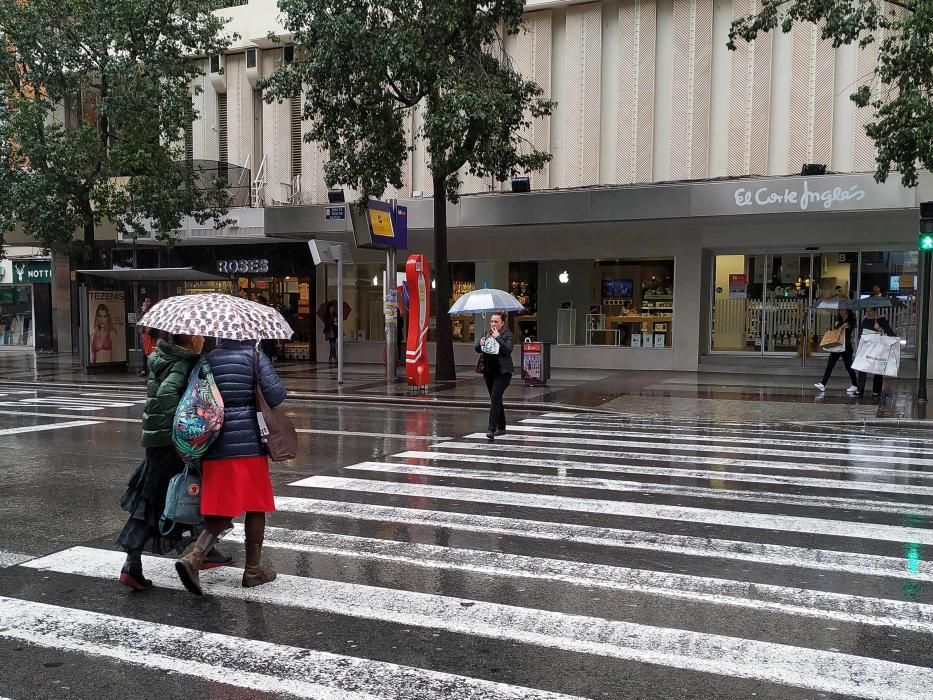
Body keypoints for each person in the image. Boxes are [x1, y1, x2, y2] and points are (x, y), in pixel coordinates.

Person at [116, 332, 230, 590]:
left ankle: (204, 551)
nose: (203, 338)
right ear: (189, 339)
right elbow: (168, 393)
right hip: (170, 443)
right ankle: (133, 563)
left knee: (167, 495)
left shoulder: (163, 356)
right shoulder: (182, 361)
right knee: (182, 492)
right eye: (199, 335)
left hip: (157, 441)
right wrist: (180, 428)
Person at [175, 338, 287, 595]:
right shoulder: (255, 357)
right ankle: (253, 571)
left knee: (222, 506)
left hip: (215, 440)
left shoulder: (208, 359)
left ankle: (195, 557)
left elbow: (194, 395)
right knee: (256, 504)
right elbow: (277, 394)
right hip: (249, 441)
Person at [475, 311, 514, 441]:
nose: (493, 324)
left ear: (502, 323)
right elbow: (477, 348)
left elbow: (508, 349)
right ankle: (502, 426)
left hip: (502, 373)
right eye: (492, 321)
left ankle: (491, 429)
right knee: (495, 398)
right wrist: (480, 343)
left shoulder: (507, 334)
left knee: (495, 399)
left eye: (496, 321)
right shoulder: (487, 333)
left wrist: (498, 337)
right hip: (488, 371)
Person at [813, 309, 858, 395]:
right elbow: (836, 333)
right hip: (836, 345)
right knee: (830, 364)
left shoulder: (850, 321)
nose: (841, 312)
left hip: (846, 347)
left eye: (843, 310)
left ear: (847, 311)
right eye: (840, 310)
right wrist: (837, 326)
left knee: (848, 366)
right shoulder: (839, 320)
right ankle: (823, 383)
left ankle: (855, 384)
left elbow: (847, 332)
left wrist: (842, 326)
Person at [856, 308, 896, 398]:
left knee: (877, 369)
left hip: (879, 348)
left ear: (875, 311)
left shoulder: (881, 320)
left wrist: (880, 329)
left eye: (870, 311)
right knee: (862, 368)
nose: (868, 313)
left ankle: (876, 390)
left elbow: (891, 334)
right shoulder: (865, 320)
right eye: (866, 311)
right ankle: (860, 389)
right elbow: (860, 333)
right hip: (867, 347)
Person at [323, 301, 338, 366]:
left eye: (333, 307)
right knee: (332, 345)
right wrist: (331, 323)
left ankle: (331, 358)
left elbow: (337, 322)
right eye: (331, 307)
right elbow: (325, 323)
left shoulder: (335, 314)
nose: (332, 308)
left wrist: (335, 323)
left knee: (333, 345)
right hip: (329, 331)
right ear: (329, 308)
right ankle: (334, 358)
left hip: (335, 331)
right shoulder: (326, 315)